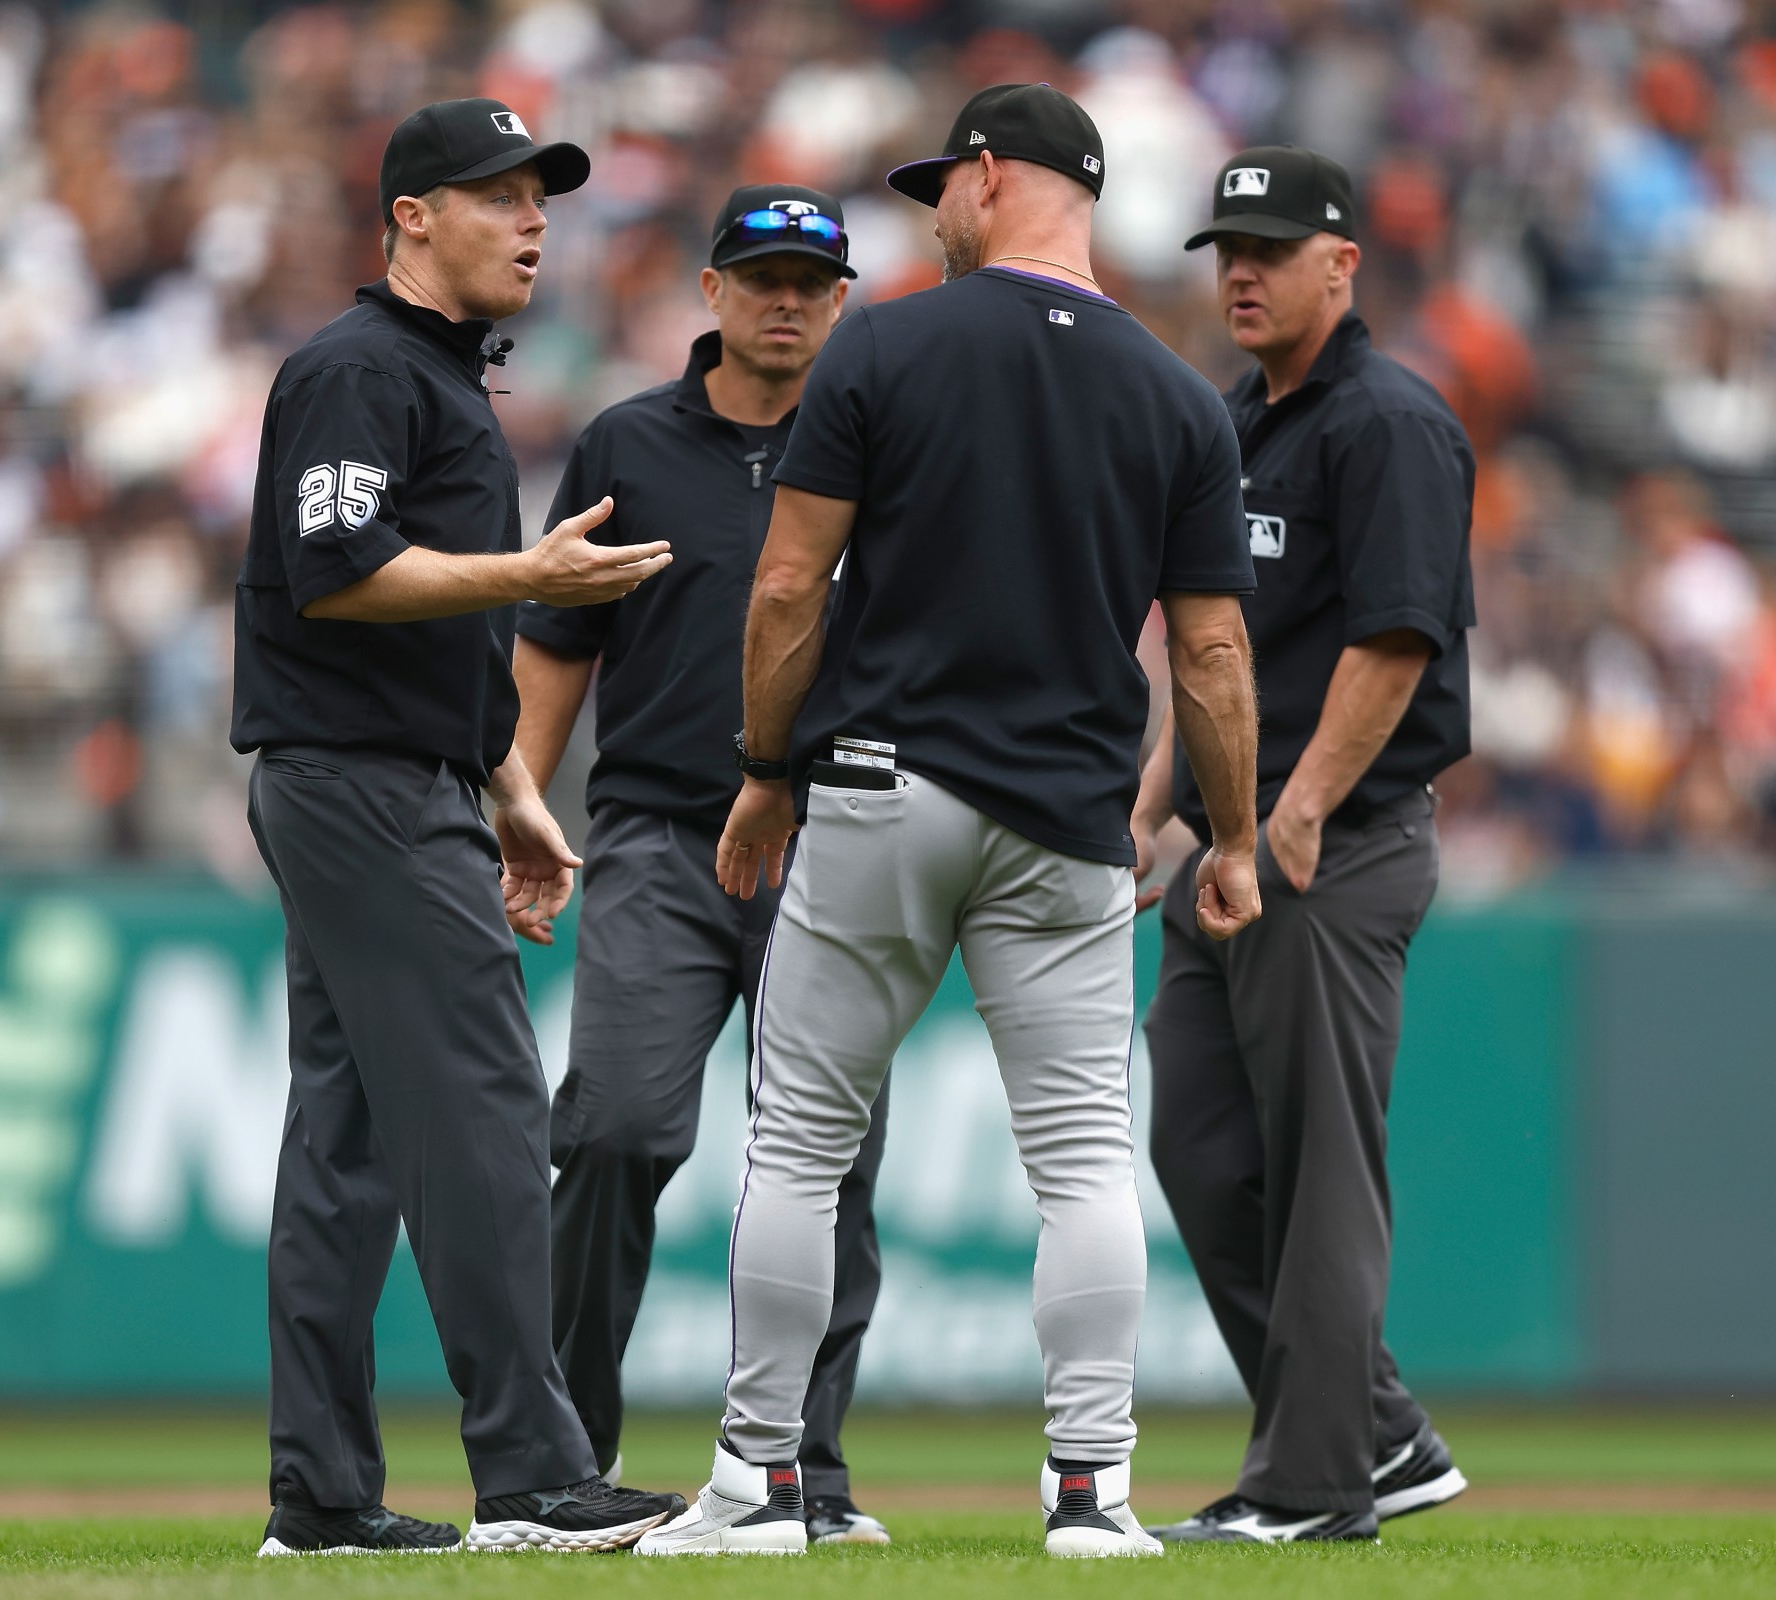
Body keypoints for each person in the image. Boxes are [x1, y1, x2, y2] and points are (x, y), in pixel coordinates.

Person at [634, 83, 1264, 1560]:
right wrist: (1229, 838)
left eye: (942, 190)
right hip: (1066, 820)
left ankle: (757, 1486)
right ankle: (1092, 1496)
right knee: (1085, 1164)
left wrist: (763, 768)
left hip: (879, 787)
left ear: (989, 178)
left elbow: (789, 587)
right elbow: (1217, 656)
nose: (933, 215)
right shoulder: (1179, 395)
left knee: (796, 1144)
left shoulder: (889, 344)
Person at [231, 97, 686, 1556]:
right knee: (485, 1106)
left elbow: (415, 634)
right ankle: (533, 1476)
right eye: (498, 195)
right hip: (360, 785)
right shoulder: (359, 369)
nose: (534, 218)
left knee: (351, 1141)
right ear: (412, 215)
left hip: (395, 772)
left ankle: (321, 1494)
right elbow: (335, 569)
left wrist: (509, 791)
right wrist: (525, 573)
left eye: (542, 197)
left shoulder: (429, 377)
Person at [510, 183, 894, 1547]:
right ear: (713, 291)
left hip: (834, 841)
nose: (786, 298)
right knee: (612, 1130)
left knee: (832, 1167)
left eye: (811, 279)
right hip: (663, 838)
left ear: (842, 301)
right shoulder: (627, 441)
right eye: (761, 274)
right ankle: (567, 1462)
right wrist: (522, 802)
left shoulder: (881, 441)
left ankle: (806, 1474)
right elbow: (559, 645)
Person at [1134, 146, 1477, 1544]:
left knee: (1321, 1170)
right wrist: (1155, 809)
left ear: (1345, 263)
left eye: (1273, 249)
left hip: (1327, 848)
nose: (1243, 272)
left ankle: (1315, 1483)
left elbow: (1397, 637)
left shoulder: (1387, 421)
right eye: (1230, 248)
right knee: (1205, 1151)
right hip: (1233, 840)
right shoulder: (1237, 421)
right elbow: (1218, 653)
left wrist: (1301, 811)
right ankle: (1380, 1434)